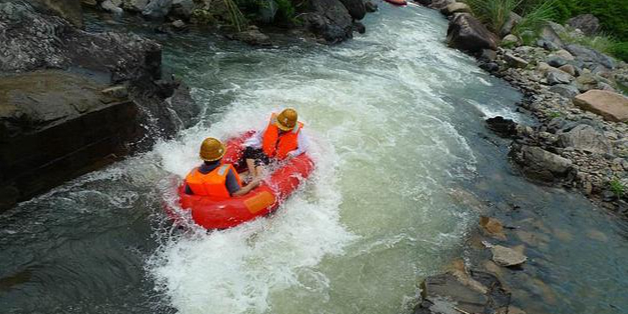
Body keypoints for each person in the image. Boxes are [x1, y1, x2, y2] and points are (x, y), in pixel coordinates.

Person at [184, 137, 260, 198]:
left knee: (241, 176)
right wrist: (252, 184)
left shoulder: (193, 172)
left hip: (208, 204)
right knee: (248, 179)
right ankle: (250, 174)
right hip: (226, 203)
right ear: (221, 156)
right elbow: (237, 194)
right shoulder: (226, 171)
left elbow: (188, 193)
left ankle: (248, 173)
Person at [242, 108, 309, 177]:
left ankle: (253, 176)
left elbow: (304, 147)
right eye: (280, 126)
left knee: (261, 162)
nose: (281, 129)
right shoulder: (272, 123)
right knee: (249, 150)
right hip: (267, 153)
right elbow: (259, 137)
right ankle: (252, 175)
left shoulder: (299, 133)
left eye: (284, 128)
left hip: (277, 159)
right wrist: (248, 145)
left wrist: (293, 153)